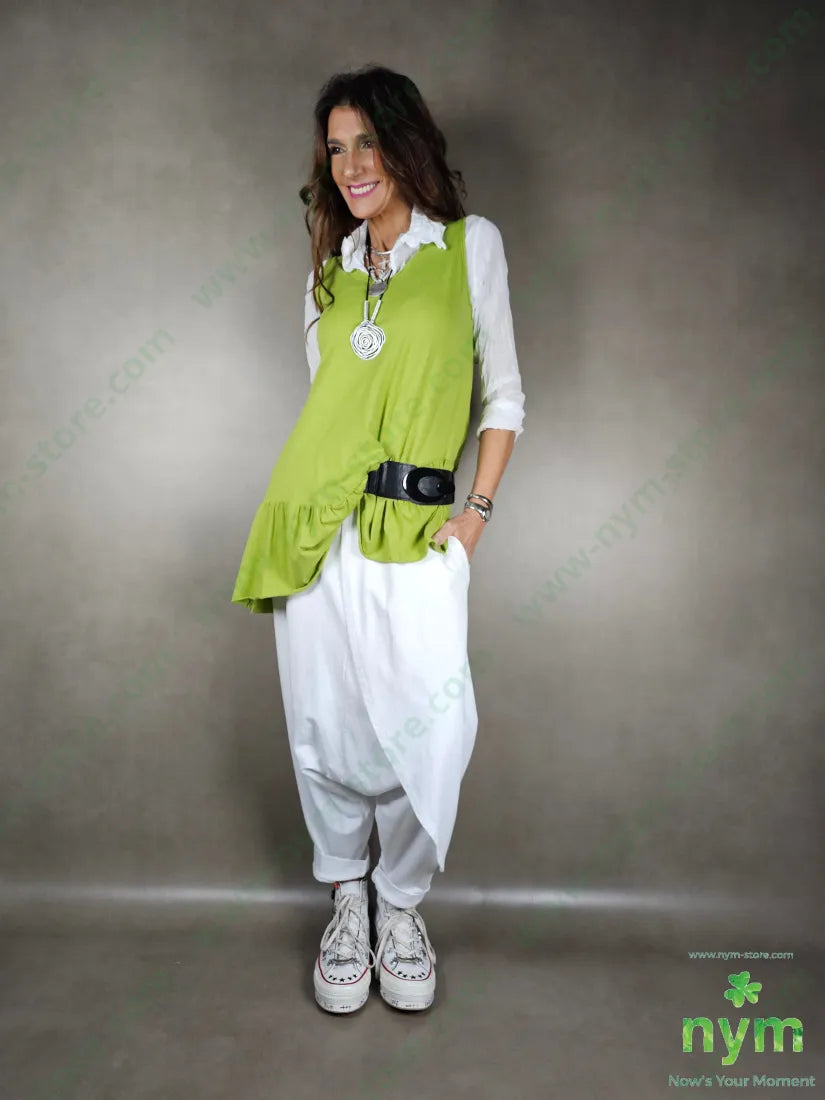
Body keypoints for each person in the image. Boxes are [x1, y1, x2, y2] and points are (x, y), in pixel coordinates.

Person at [231, 65, 525, 1014]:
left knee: (423, 731)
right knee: (325, 728)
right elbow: (330, 415)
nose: (351, 164)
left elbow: (503, 398)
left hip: (418, 535)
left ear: (405, 144)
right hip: (320, 531)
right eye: (335, 148)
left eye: (366, 142)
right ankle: (346, 901)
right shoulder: (329, 273)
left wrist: (472, 521)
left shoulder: (469, 247)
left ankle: (400, 902)